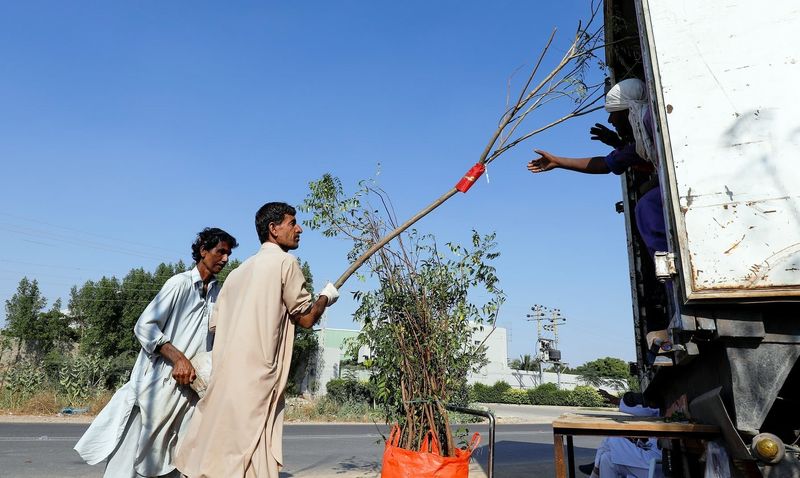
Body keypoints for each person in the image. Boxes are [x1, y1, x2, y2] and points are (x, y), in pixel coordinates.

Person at [174, 202, 339, 478]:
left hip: (226, 381)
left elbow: (215, 325)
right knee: (250, 457)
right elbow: (306, 319)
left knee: (220, 455)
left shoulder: (237, 273)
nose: (299, 229)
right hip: (257, 381)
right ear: (273, 229)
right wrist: (326, 298)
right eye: (292, 223)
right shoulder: (286, 263)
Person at [74, 227, 238, 478]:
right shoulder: (179, 284)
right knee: (134, 456)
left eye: (228, 254)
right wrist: (178, 358)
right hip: (157, 386)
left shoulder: (218, 293)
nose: (225, 259)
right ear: (203, 251)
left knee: (176, 456)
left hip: (188, 391)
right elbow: (145, 325)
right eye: (220, 252)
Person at [528, 78, 667, 259]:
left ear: (629, 108)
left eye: (613, 112)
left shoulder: (653, 122)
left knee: (647, 206)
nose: (610, 120)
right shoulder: (642, 142)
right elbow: (606, 164)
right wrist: (558, 161)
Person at [582, 391, 663, 478]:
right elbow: (648, 410)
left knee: (613, 439)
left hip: (658, 463)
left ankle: (595, 470)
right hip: (649, 456)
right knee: (606, 458)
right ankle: (597, 467)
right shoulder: (661, 408)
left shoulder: (671, 409)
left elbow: (649, 411)